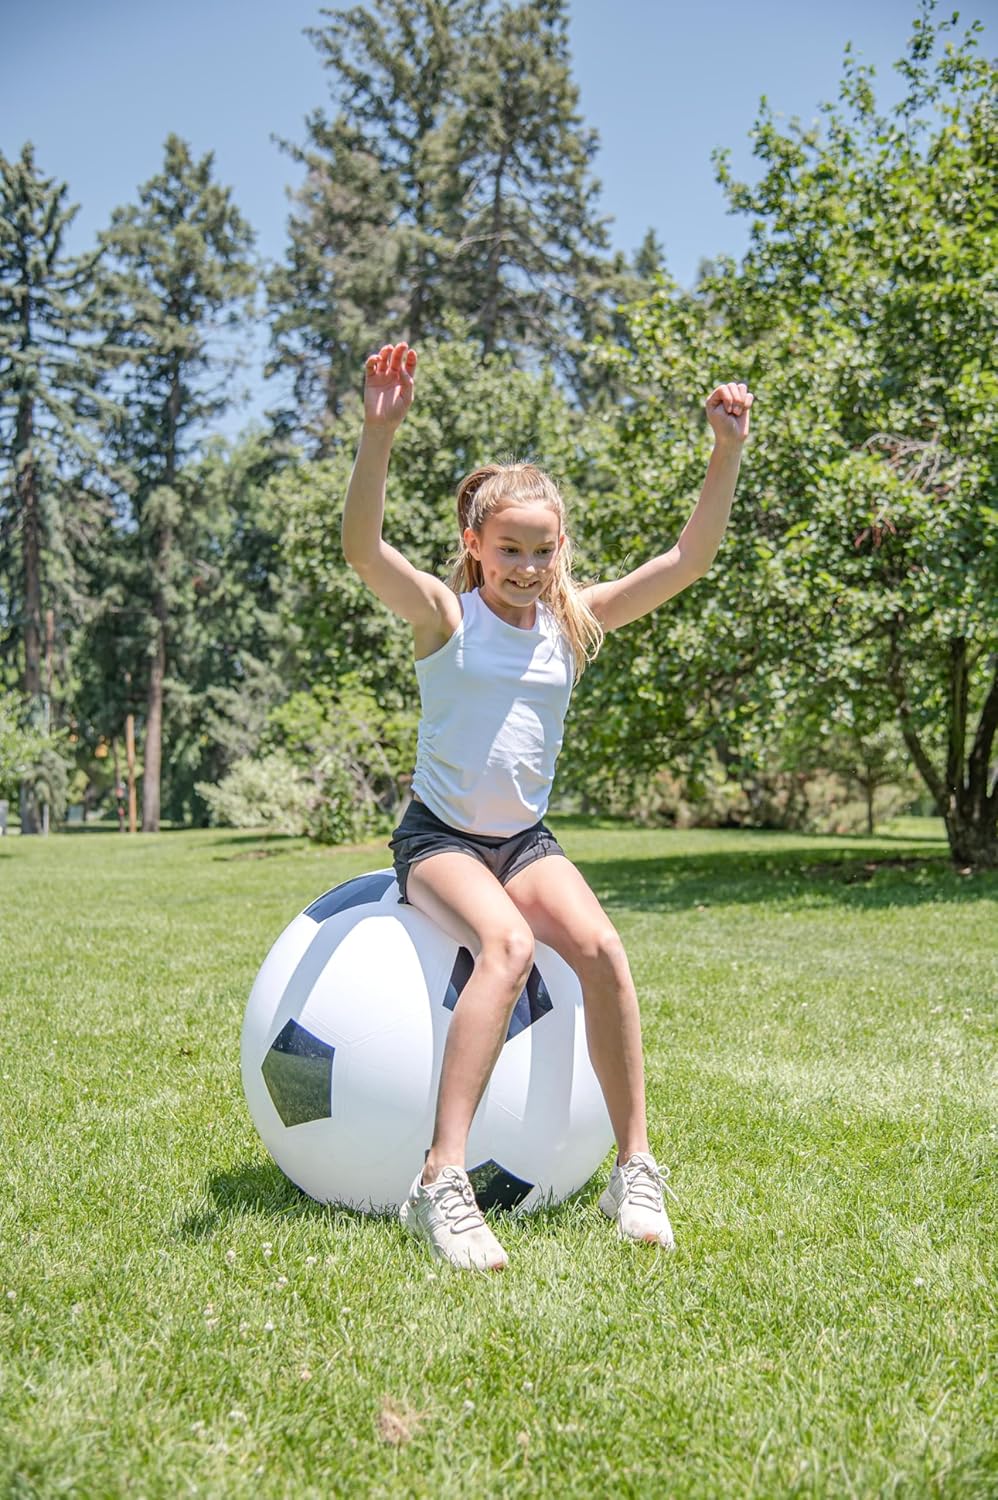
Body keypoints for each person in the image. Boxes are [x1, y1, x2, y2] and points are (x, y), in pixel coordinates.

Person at [342, 340, 753, 1272]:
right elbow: (363, 550)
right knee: (509, 945)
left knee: (605, 949)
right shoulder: (447, 620)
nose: (526, 567)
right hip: (441, 839)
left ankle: (634, 1165)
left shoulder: (573, 623)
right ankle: (441, 1180)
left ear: (560, 549)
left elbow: (689, 559)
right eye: (509, 550)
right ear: (475, 547)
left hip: (523, 841)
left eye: (541, 550)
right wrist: (380, 434)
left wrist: (724, 452)